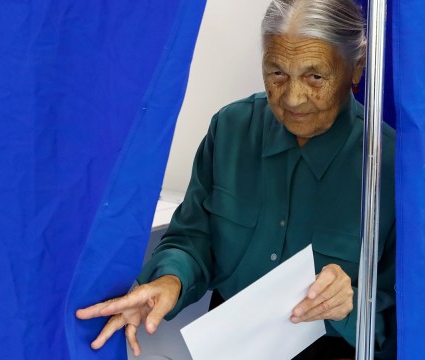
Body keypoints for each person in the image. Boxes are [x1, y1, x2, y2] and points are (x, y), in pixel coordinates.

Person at [76, 0, 396, 358]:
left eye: (315, 76)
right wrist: (170, 280)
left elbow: (407, 312)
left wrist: (351, 305)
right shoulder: (230, 130)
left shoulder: (390, 165)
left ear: (357, 69)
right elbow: (193, 238)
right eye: (276, 73)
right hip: (227, 345)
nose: (292, 97)